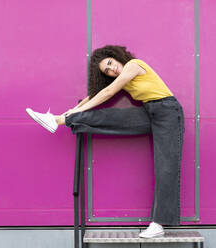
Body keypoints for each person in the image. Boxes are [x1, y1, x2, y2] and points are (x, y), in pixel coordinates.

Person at [26, 45, 185, 238]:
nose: (112, 70)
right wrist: (69, 111)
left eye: (111, 63)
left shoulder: (134, 65)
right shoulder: (121, 79)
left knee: (166, 167)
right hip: (149, 112)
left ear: (117, 57)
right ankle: (59, 120)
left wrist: (76, 110)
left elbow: (107, 92)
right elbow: (93, 96)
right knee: (109, 117)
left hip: (167, 111)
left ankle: (158, 224)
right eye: (107, 71)